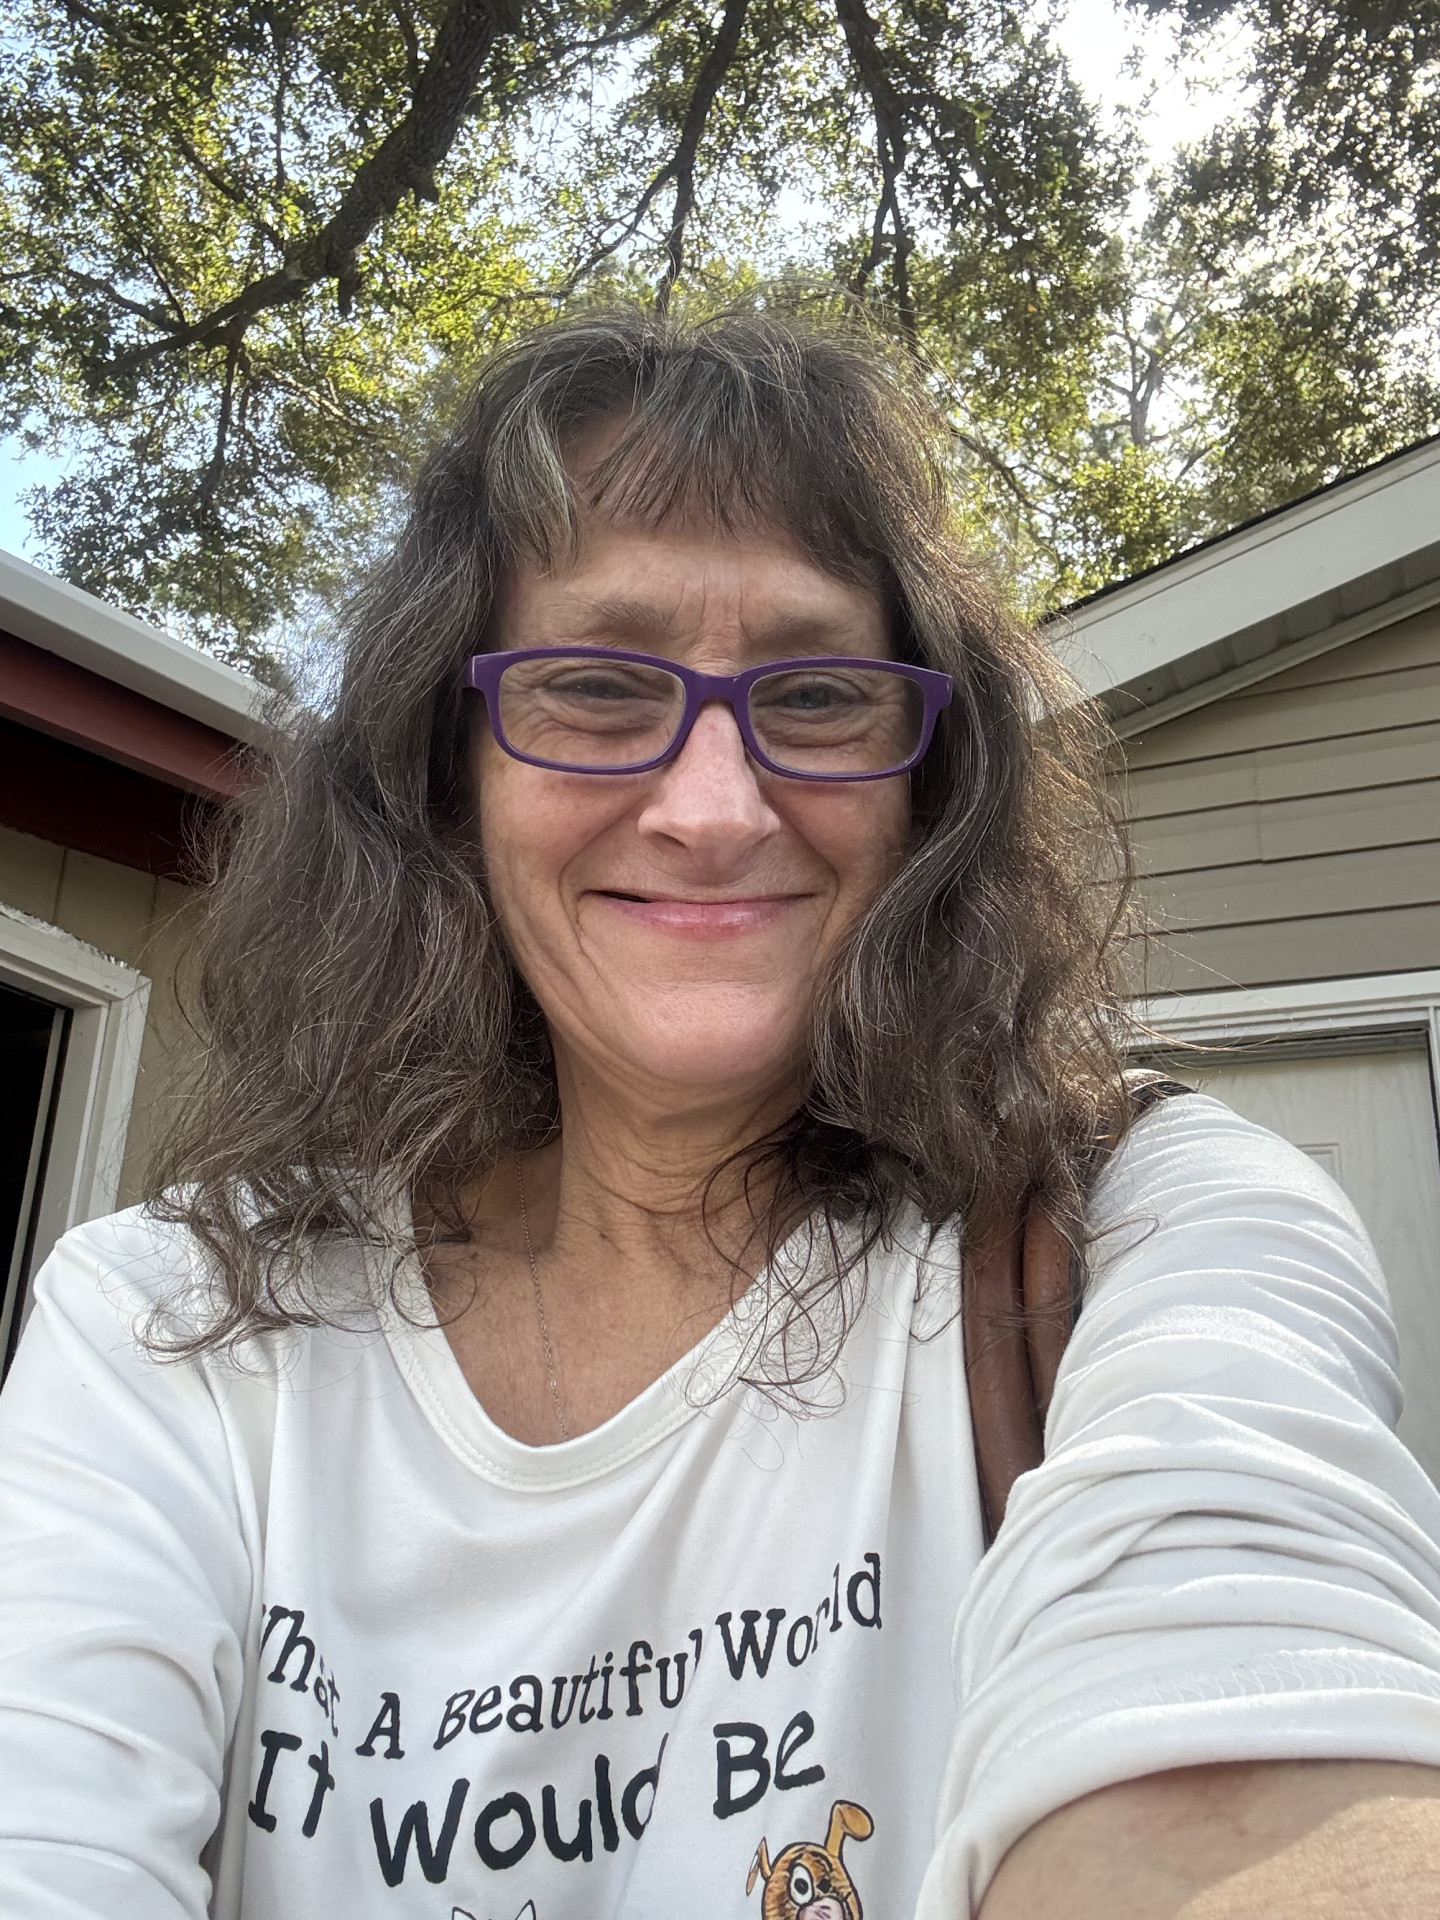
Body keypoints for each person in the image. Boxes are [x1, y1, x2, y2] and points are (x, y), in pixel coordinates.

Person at [2, 308, 1440, 1920]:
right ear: (448, 774)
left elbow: (1238, 1723)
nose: (711, 809)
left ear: (926, 787)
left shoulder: (1146, 1228)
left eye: (816, 696)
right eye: (594, 686)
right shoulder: (176, 1327)